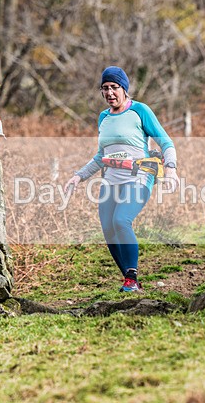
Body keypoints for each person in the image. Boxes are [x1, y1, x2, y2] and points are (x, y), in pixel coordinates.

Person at [64, 66, 178, 292]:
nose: (109, 93)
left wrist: (172, 169)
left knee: (121, 220)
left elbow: (166, 143)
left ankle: (132, 278)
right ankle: (130, 278)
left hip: (139, 177)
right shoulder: (103, 117)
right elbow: (100, 156)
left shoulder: (139, 111)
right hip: (111, 180)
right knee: (108, 230)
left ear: (124, 89)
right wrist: (78, 177)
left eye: (114, 87)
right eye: (104, 88)